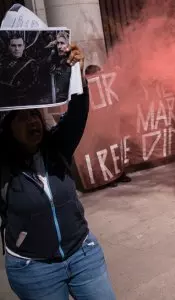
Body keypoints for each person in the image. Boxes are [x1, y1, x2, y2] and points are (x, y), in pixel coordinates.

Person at [0, 45, 117, 299]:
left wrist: (76, 70)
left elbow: (78, 112)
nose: (32, 121)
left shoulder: (58, 147)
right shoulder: (5, 167)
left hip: (83, 255)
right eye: (22, 117)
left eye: (35, 114)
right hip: (34, 270)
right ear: (7, 129)